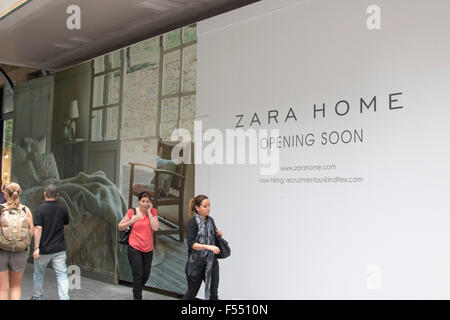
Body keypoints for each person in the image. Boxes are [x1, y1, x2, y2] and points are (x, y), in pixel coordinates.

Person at [31, 184, 70, 300]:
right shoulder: (63, 208)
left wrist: (36, 248)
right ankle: (64, 297)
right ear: (57, 195)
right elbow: (65, 226)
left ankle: (37, 297)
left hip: (43, 249)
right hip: (59, 249)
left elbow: (38, 228)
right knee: (62, 274)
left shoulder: (39, 209)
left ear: (44, 194)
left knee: (38, 274)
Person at [118, 191, 159, 300]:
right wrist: (131, 221)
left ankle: (136, 288)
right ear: (139, 202)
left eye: (147, 201)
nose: (145, 204)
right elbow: (120, 226)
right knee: (138, 275)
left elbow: (155, 228)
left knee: (145, 276)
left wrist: (150, 213)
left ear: (150, 203)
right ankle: (137, 297)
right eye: (143, 201)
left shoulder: (153, 212)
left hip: (148, 249)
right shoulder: (132, 212)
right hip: (134, 248)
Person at [182, 195, 223, 300]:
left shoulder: (210, 221)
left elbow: (212, 238)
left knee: (213, 294)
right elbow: (192, 244)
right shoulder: (192, 223)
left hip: (211, 262)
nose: (208, 208)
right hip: (196, 263)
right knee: (191, 293)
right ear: (197, 208)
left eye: (209, 206)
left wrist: (218, 234)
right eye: (205, 206)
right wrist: (208, 247)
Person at [0, 182, 34, 300]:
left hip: (1, 251)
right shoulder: (26, 210)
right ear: (19, 193)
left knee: (3, 288)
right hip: (20, 251)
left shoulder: (1, 209)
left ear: (5, 194)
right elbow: (31, 232)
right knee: (15, 287)